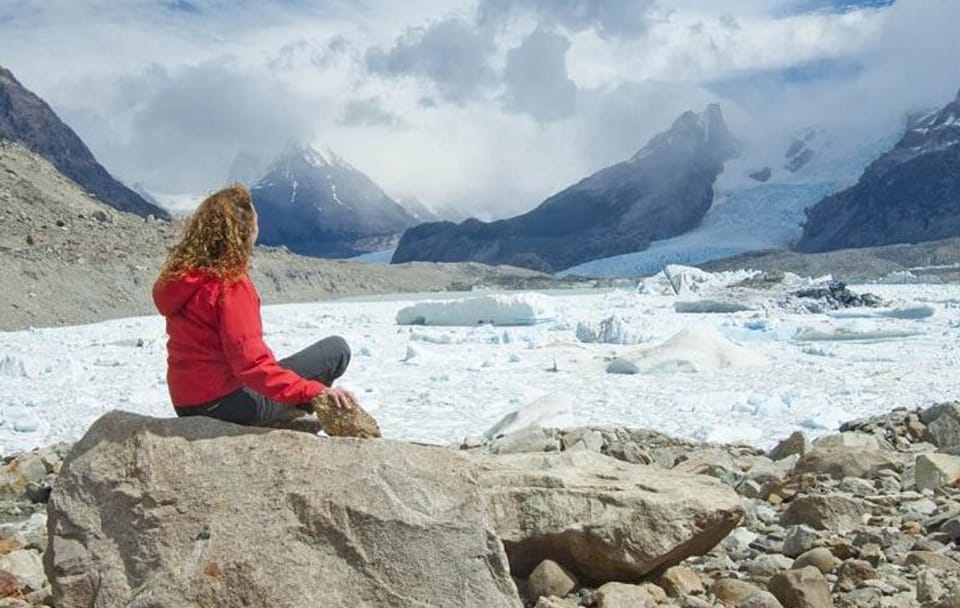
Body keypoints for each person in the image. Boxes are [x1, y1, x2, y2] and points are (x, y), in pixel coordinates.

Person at [152, 184, 359, 427]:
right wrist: (314, 391)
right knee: (336, 350)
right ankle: (287, 421)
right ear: (245, 231)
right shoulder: (229, 284)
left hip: (186, 404)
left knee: (286, 372)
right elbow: (251, 364)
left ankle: (287, 415)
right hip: (228, 406)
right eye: (255, 223)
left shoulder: (183, 279)